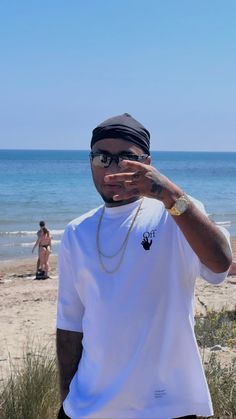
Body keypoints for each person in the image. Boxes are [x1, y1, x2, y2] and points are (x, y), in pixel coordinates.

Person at [56, 113, 232, 419]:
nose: (112, 168)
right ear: (90, 162)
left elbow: (220, 263)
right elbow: (70, 325)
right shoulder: (76, 232)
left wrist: (168, 192)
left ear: (147, 162)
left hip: (169, 406)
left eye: (126, 158)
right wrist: (67, 401)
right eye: (102, 158)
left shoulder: (175, 213)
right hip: (89, 407)